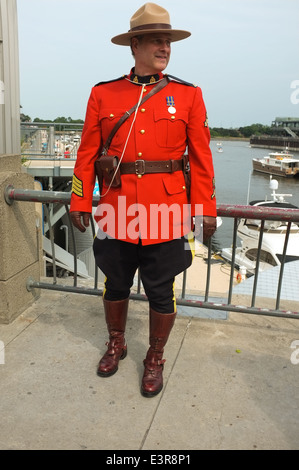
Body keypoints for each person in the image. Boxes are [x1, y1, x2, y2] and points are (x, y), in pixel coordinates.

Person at [70, 2, 217, 397]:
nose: (164, 47)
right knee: (115, 283)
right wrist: (81, 200)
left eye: (167, 40)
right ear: (134, 45)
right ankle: (116, 342)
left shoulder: (188, 95)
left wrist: (205, 208)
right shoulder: (103, 93)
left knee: (160, 288)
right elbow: (86, 153)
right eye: (156, 40)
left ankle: (155, 356)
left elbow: (201, 160)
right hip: (118, 209)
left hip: (165, 212)